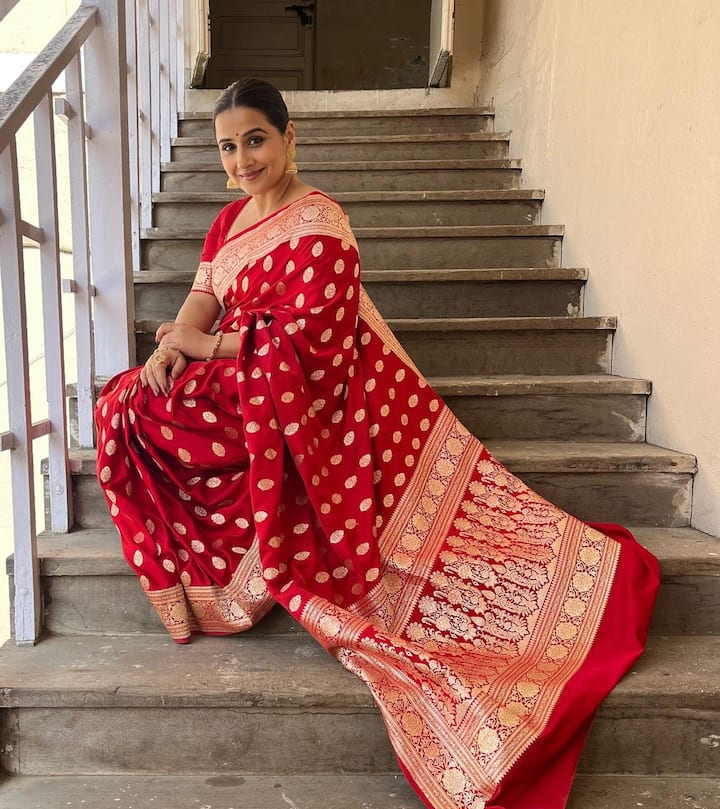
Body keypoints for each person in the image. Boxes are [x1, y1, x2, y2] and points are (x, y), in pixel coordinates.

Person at [95, 78, 660, 809]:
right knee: (127, 402)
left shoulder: (322, 219)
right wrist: (176, 344)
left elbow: (320, 341)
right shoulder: (228, 221)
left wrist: (212, 348)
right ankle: (208, 568)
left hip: (301, 384)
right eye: (228, 148)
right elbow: (203, 297)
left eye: (256, 140)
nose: (242, 160)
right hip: (242, 369)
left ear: (289, 136)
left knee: (171, 408)